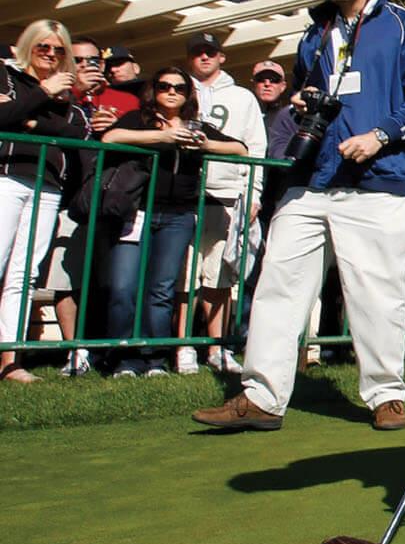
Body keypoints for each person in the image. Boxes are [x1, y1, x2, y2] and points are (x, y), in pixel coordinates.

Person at [192, 0, 405, 432]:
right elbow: (308, 89)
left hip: (379, 180)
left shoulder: (403, 26)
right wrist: (303, 99)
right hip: (311, 181)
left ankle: (386, 395)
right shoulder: (314, 32)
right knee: (277, 286)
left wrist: (382, 134)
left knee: (378, 295)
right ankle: (260, 396)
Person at [102, 67, 246, 376]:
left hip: (178, 216)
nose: (171, 92)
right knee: (123, 286)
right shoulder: (138, 119)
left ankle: (154, 360)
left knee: (162, 289)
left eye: (179, 88)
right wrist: (162, 136)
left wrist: (204, 144)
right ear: (153, 90)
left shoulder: (198, 126)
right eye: (164, 86)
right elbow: (110, 136)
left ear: (187, 94)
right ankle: (122, 358)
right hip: (137, 210)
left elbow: (239, 148)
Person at [0, 20, 88, 382]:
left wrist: (31, 120)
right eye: (43, 47)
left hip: (47, 186)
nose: (51, 55)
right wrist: (41, 92)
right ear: (29, 46)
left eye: (58, 50)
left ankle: (10, 360)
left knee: (24, 274)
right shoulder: (7, 77)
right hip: (6, 176)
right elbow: (3, 117)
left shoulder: (68, 97)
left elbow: (77, 131)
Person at [176, 32, 267, 375]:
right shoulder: (180, 90)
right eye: (197, 52)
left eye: (210, 52)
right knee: (185, 276)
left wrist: (254, 192)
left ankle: (217, 348)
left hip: (229, 193)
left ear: (221, 56)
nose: (204, 58)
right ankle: (184, 346)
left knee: (219, 277)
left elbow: (256, 146)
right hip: (188, 191)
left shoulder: (243, 97)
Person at [45, 36, 137, 376]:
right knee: (64, 278)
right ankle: (74, 351)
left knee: (107, 280)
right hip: (64, 197)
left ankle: (103, 349)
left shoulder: (123, 99)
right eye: (80, 60)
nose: (88, 66)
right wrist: (79, 101)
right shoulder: (58, 94)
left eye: (95, 60)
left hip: (109, 200)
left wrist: (112, 128)